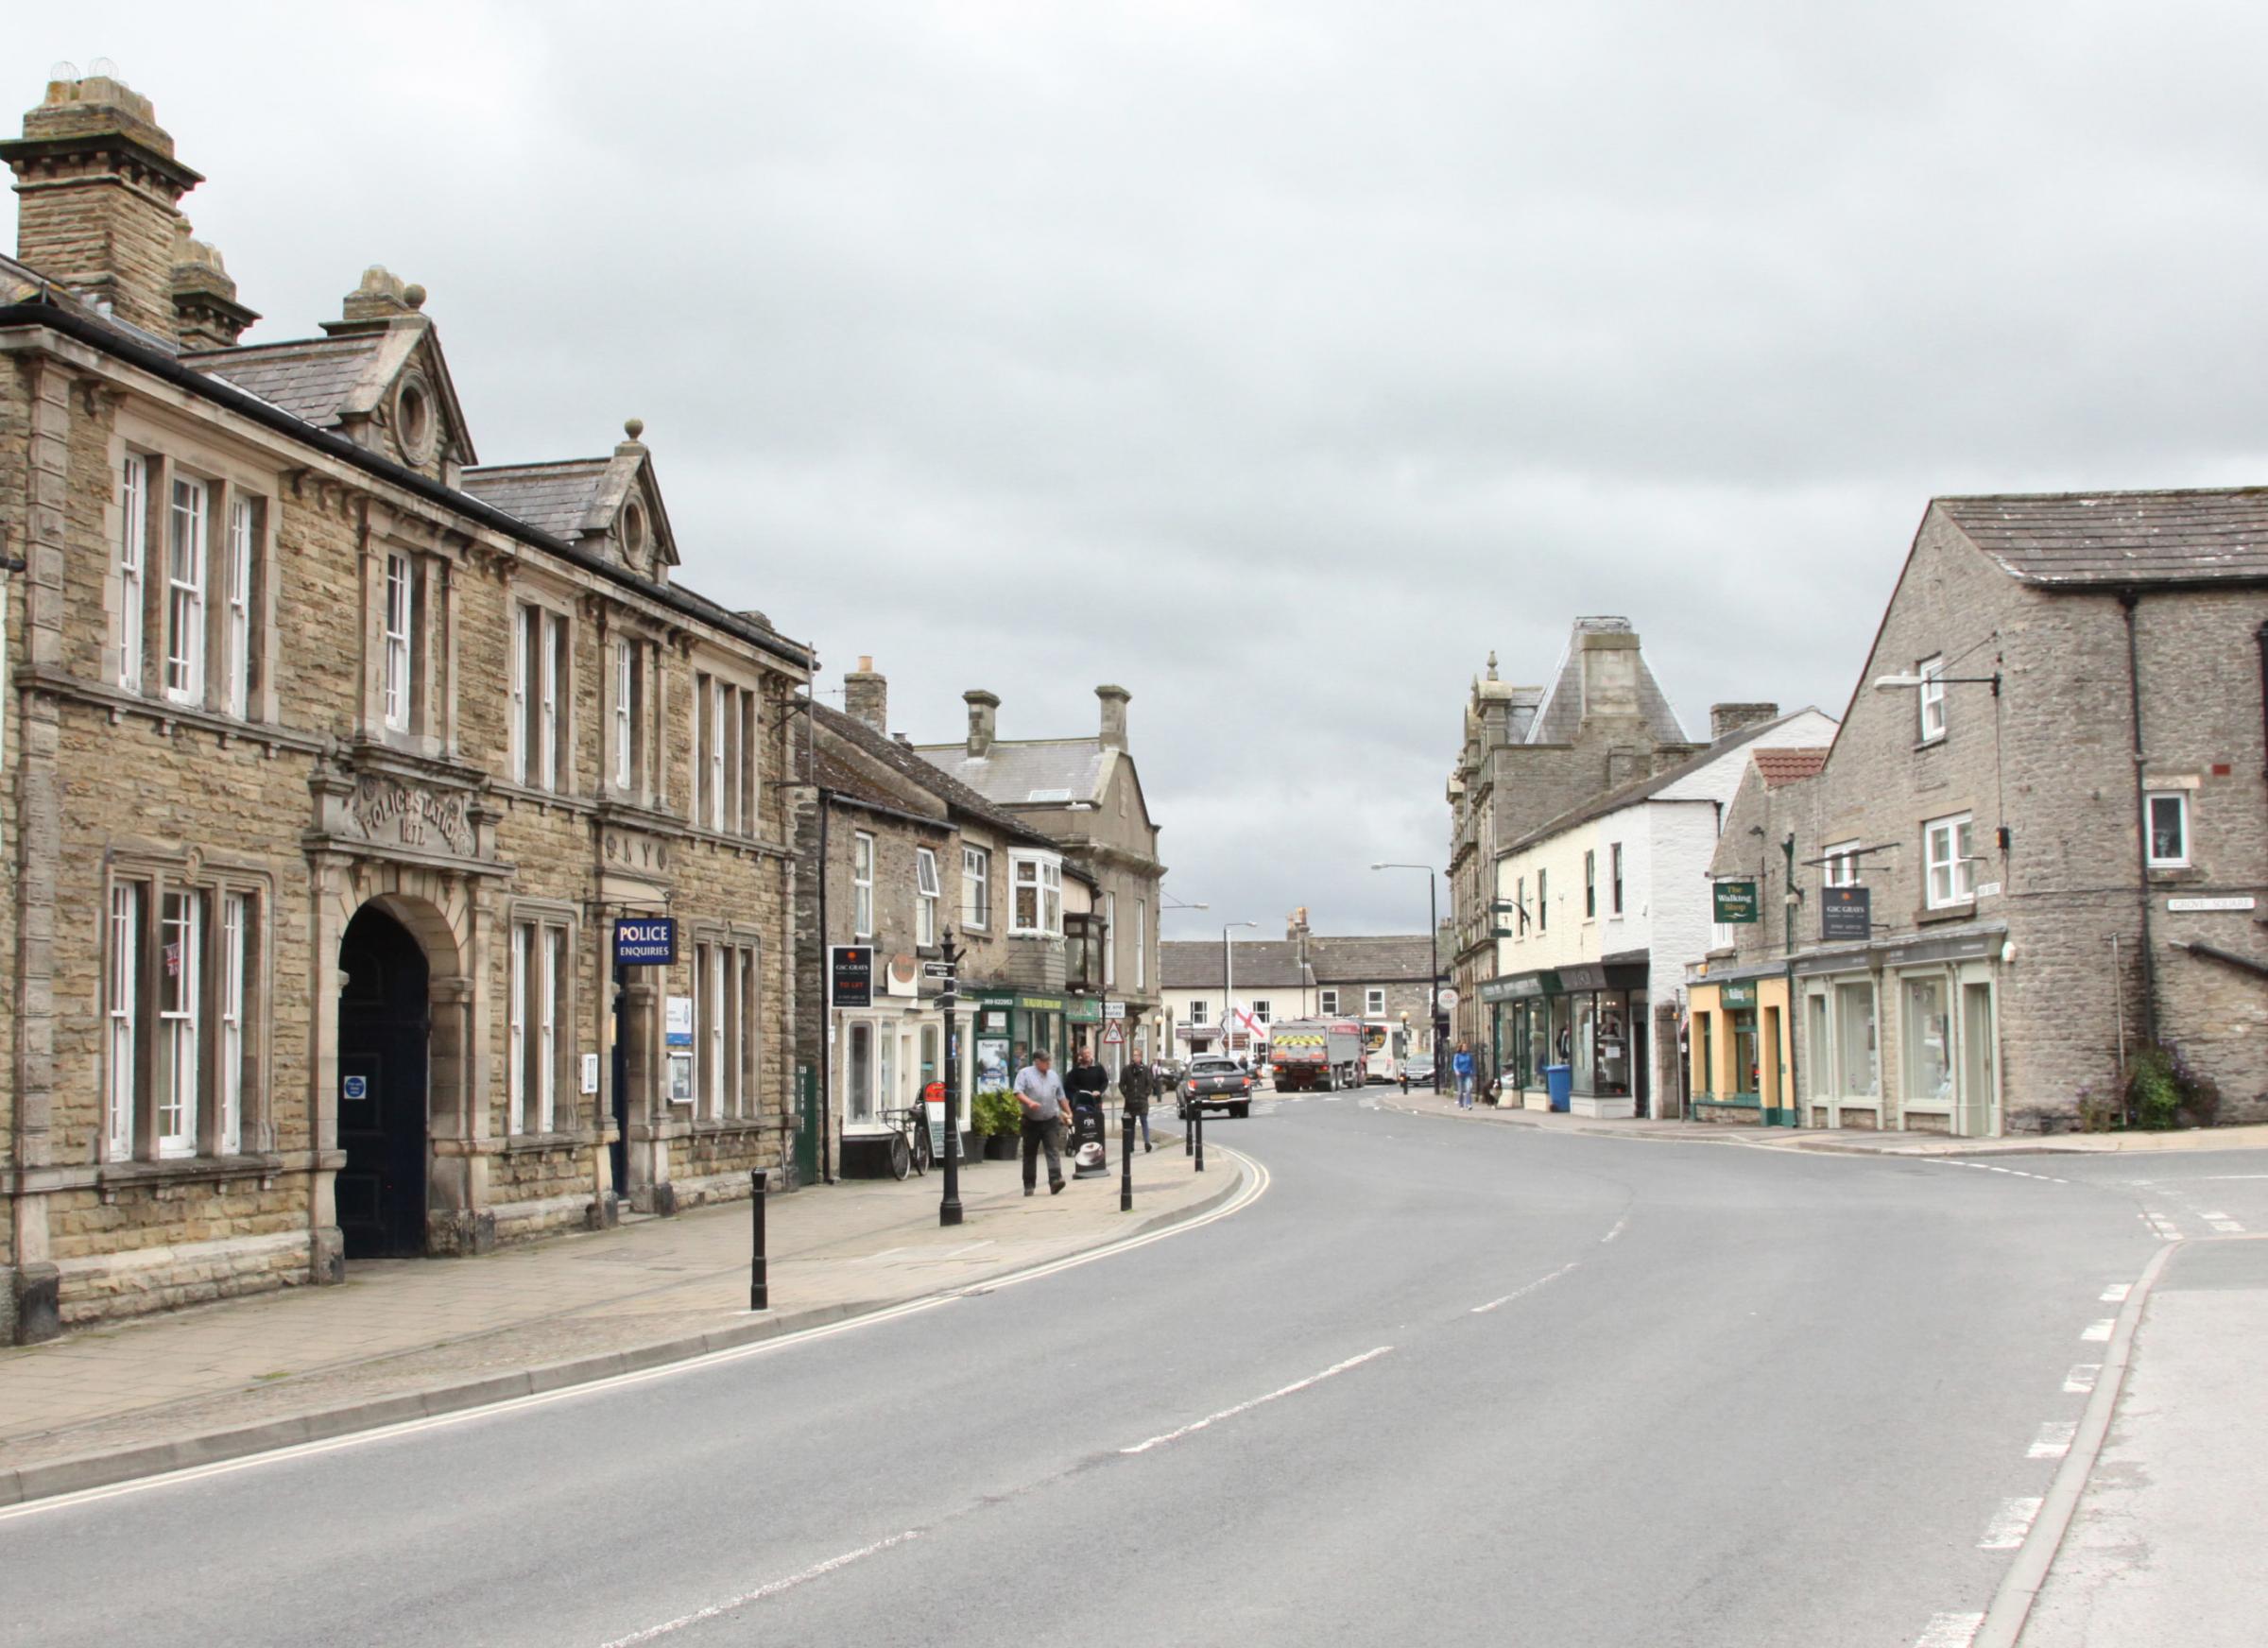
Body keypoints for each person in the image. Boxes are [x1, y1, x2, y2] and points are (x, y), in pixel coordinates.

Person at [1014, 1049, 1071, 1195]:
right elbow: (1018, 1092)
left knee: (1053, 1150)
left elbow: (1061, 1095)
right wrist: (1029, 1102)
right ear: (1037, 1062)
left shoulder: (1053, 1075)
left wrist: (1069, 1112)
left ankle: (1055, 1181)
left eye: (1049, 1060)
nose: (1048, 1063)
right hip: (1031, 1121)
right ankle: (1029, 1185)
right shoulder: (1025, 1073)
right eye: (1045, 1061)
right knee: (1029, 1154)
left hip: (1050, 1119)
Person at [1119, 1055, 1155, 1152]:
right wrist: (1126, 1095)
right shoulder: (1126, 1070)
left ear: (1141, 1058)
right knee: (1131, 1123)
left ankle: (1147, 1142)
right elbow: (1121, 1084)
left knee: (1144, 1120)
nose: (1135, 1058)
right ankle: (1131, 1145)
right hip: (1130, 1102)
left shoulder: (1146, 1070)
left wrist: (1145, 1094)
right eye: (1134, 1056)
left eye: (1137, 1056)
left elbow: (1149, 1083)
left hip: (1142, 1101)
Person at [1452, 1040, 1476, 1108]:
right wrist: (1456, 1071)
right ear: (1461, 1048)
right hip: (1460, 1074)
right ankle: (1461, 1105)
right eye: (1464, 1046)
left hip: (1467, 1074)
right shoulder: (1457, 1055)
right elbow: (1455, 1065)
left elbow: (1472, 1065)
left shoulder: (1469, 1055)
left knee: (1468, 1089)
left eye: (1466, 1046)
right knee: (1460, 1091)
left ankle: (1468, 1104)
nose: (1466, 1048)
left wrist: (1473, 1073)